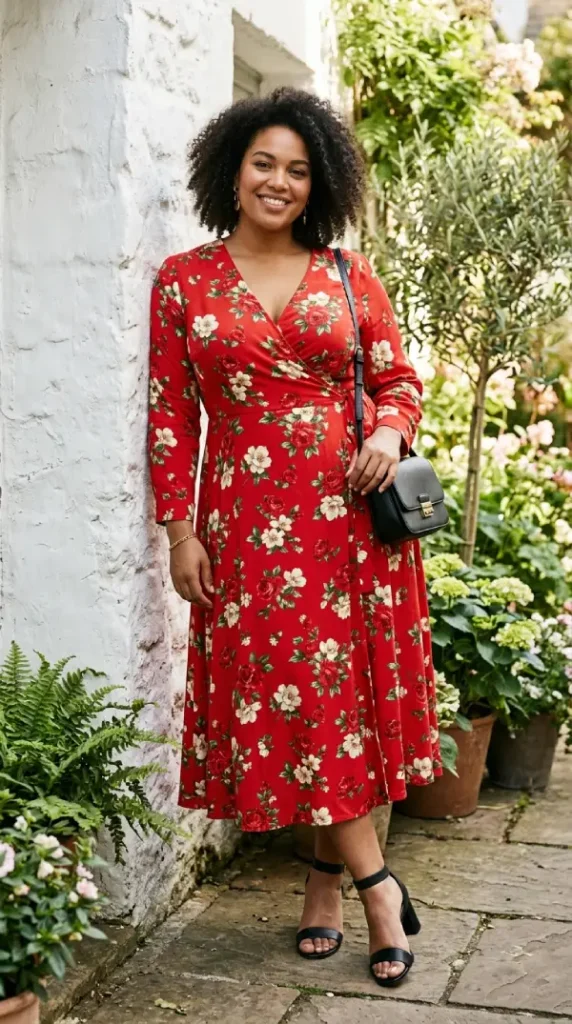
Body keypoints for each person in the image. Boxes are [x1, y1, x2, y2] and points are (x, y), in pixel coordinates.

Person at [148, 87, 442, 988]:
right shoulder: (184, 280)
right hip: (248, 528)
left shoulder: (351, 275)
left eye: (299, 169)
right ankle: (378, 885)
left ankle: (331, 887)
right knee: (298, 701)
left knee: (337, 705)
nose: (279, 181)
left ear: (321, 184)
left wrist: (389, 435)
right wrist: (179, 531)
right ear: (231, 171)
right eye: (263, 163)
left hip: (356, 525)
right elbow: (171, 417)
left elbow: (398, 379)